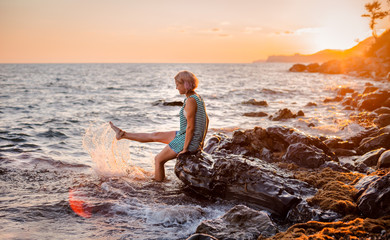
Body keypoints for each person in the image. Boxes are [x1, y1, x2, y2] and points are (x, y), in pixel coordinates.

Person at [109, 70, 209, 182]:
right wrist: (200, 141)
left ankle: (158, 185)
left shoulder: (191, 101)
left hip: (187, 139)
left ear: (185, 84)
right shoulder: (197, 97)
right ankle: (123, 134)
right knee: (155, 135)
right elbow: (207, 120)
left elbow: (190, 127)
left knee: (158, 160)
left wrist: (186, 149)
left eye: (177, 85)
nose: (176, 88)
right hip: (186, 135)